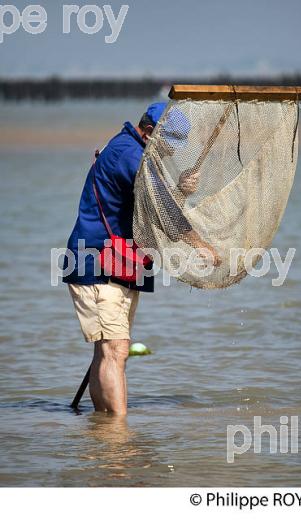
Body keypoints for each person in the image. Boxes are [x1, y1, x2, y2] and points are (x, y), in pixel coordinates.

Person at [63, 102, 220, 415]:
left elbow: (146, 209)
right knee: (116, 350)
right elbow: (162, 213)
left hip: (121, 264)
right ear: (149, 133)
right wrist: (201, 245)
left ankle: (104, 428)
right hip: (96, 263)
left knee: (108, 352)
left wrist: (181, 191)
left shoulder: (136, 153)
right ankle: (120, 431)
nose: (170, 154)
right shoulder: (130, 155)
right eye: (167, 146)